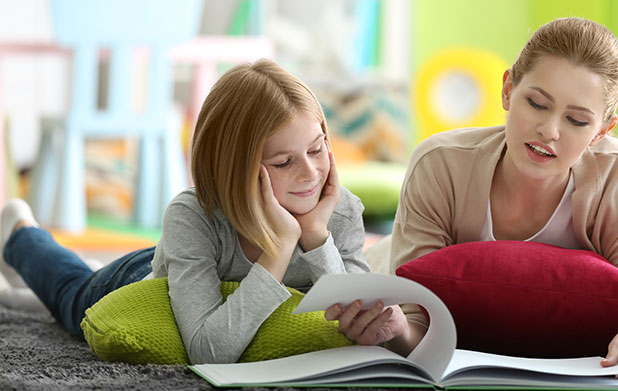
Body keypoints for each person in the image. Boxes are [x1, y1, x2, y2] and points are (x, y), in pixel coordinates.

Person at [0, 59, 382, 364]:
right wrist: (281, 246)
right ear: (236, 169)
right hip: (148, 277)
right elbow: (209, 351)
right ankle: (19, 231)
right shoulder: (192, 215)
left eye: (317, 150)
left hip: (193, 274)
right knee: (69, 295)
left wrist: (316, 236)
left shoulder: (340, 210)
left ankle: (32, 284)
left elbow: (355, 317)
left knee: (54, 292)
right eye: (284, 162)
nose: (311, 173)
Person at [387, 17, 618, 373]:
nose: (549, 130)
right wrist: (395, 331)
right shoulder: (440, 164)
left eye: (577, 121)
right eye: (538, 104)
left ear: (602, 130)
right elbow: (412, 318)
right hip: (383, 253)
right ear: (508, 89)